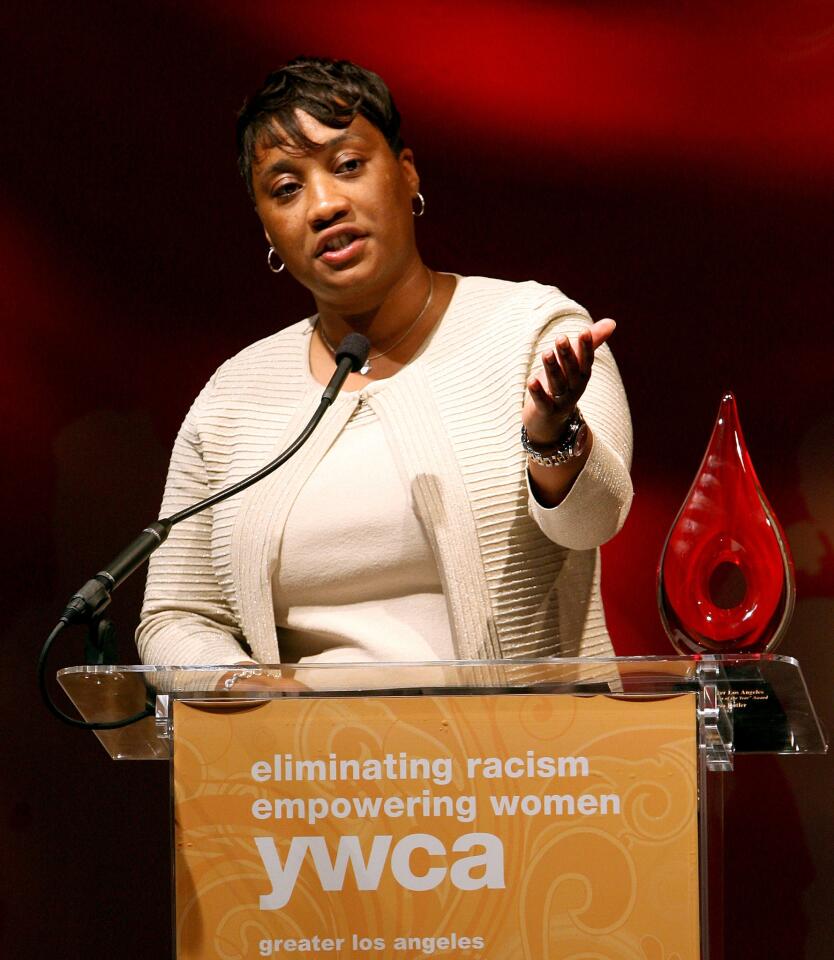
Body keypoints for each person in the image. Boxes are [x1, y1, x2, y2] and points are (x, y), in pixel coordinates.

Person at [136, 57, 633, 679]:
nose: (323, 205)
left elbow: (595, 521)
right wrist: (247, 695)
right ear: (265, 225)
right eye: (286, 188)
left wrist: (551, 435)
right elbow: (177, 615)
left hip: (521, 763)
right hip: (306, 765)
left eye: (348, 166)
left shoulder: (533, 332)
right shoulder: (234, 397)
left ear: (405, 172)